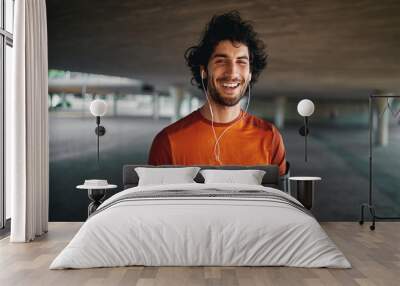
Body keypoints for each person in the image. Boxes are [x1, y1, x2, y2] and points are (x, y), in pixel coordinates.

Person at [148, 11, 286, 175]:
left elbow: (278, 199)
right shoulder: (168, 141)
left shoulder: (270, 138)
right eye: (221, 61)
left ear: (250, 73)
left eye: (241, 62)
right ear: (204, 70)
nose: (232, 72)